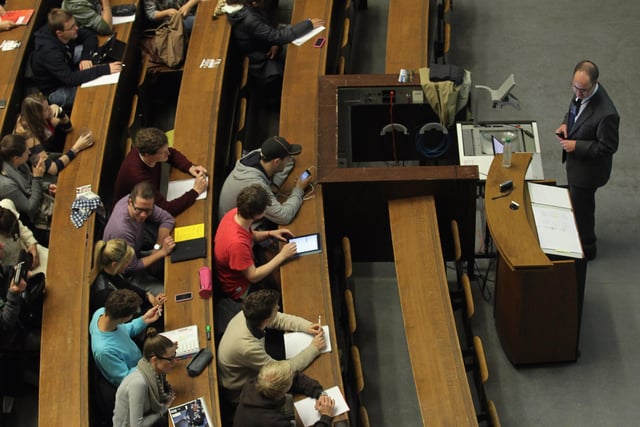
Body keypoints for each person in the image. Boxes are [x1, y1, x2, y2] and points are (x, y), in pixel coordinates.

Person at [555, 60, 619, 261]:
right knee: (577, 203)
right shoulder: (581, 92)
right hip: (577, 166)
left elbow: (608, 147)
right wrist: (566, 124)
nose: (577, 93)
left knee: (582, 211)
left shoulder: (607, 113)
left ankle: (587, 247)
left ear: (595, 83)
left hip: (588, 172)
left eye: (583, 90)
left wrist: (576, 146)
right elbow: (575, 109)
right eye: (575, 87)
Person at [217, 289, 326, 404]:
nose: (278, 308)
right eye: (275, 308)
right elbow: (279, 372)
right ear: (266, 320)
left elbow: (279, 319)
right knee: (289, 397)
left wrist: (306, 326)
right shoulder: (247, 347)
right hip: (239, 388)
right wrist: (314, 349)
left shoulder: (250, 314)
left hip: (248, 365)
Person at [214, 184, 298, 300]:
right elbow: (253, 276)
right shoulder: (237, 245)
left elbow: (249, 236)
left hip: (245, 264)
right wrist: (282, 256)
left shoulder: (234, 214)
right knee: (288, 282)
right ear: (257, 215)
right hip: (240, 288)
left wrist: (270, 233)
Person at [30, 8, 123, 110]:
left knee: (93, 52)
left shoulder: (65, 28)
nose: (77, 28)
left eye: (75, 23)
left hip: (67, 59)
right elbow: (71, 79)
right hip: (56, 88)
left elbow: (89, 36)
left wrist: (86, 57)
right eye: (72, 27)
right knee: (95, 91)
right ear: (59, 33)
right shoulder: (49, 53)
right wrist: (105, 69)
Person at [222, 0, 324, 86]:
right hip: (260, 59)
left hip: (264, 43)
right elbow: (278, 36)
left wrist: (273, 43)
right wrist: (308, 24)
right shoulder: (250, 19)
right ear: (255, 3)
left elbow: (267, 28)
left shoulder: (248, 8)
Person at [113, 127, 208, 217]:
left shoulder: (147, 151)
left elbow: (171, 154)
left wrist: (190, 167)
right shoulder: (139, 177)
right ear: (148, 155)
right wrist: (195, 191)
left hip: (154, 192)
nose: (168, 153)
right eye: (163, 152)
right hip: (138, 212)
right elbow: (166, 210)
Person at [103, 181, 176, 296]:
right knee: (170, 293)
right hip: (126, 271)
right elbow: (132, 266)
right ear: (130, 202)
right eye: (139, 210)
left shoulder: (142, 204)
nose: (143, 215)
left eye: (148, 210)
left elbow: (167, 219)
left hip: (137, 252)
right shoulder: (121, 230)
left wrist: (157, 246)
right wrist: (162, 252)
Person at [218, 136, 311, 226]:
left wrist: (274, 185)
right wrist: (299, 190)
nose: (290, 160)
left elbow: (290, 162)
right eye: (288, 158)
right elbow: (284, 217)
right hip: (238, 227)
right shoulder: (256, 187)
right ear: (277, 162)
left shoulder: (259, 154)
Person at [89, 288, 163, 387]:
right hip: (140, 378)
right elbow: (127, 379)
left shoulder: (102, 312)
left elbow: (123, 331)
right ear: (124, 318)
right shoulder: (104, 351)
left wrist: (144, 319)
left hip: (143, 361)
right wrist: (152, 366)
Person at [234, 360, 335, 427]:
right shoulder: (273, 422)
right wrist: (326, 416)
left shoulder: (258, 381)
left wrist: (321, 394)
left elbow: (295, 378)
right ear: (282, 393)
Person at [15, 92, 95, 176]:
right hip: (40, 173)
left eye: (48, 105)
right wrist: (76, 148)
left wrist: (60, 111)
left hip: (49, 151)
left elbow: (68, 128)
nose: (50, 109)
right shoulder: (28, 137)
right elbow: (53, 169)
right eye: (46, 109)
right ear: (36, 115)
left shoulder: (41, 117)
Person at [112, 327, 177, 427]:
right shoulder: (138, 384)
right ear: (154, 360)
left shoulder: (152, 370)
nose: (175, 362)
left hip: (147, 414)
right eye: (170, 359)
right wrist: (162, 410)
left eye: (174, 355)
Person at [89, 238, 166, 318]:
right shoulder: (104, 294)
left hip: (133, 309)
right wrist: (154, 308)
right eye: (126, 262)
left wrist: (147, 295)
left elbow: (126, 286)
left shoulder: (110, 271)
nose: (129, 264)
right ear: (114, 265)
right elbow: (125, 318)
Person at [0, 134, 51, 245]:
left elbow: (30, 183)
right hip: (32, 222)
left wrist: (46, 186)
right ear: (16, 158)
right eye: (26, 151)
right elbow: (30, 207)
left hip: (40, 202)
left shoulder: (19, 165)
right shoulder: (6, 185)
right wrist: (37, 178)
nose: (29, 152)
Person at [0, 199, 48, 274]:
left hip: (28, 252)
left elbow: (22, 230)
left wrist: (32, 244)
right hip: (13, 272)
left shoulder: (6, 204)